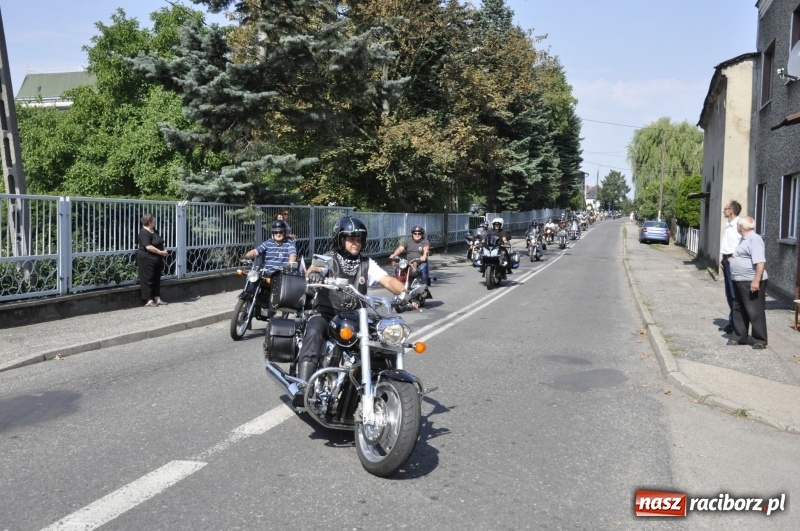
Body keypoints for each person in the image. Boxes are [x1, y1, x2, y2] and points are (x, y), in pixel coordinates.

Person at [293, 217, 413, 406]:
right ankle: (303, 386)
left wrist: (405, 292)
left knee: (382, 336)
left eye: (359, 239)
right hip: (327, 312)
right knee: (314, 331)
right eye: (351, 239)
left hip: (357, 315)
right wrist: (314, 273)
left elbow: (388, 280)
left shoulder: (366, 263)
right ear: (340, 240)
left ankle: (381, 380)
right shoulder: (329, 259)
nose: (356, 243)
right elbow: (314, 268)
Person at [727, 216, 768, 349]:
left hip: (750, 280)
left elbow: (760, 262)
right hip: (738, 279)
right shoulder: (744, 240)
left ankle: (759, 340)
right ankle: (739, 337)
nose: (737, 227)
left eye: (738, 225)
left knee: (754, 310)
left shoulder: (754, 239)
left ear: (741, 227)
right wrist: (731, 261)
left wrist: (756, 281)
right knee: (738, 308)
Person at [719, 200, 741, 334]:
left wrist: (733, 258)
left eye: (726, 208)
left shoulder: (739, 225)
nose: (724, 210)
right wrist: (723, 259)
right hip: (726, 259)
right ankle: (732, 321)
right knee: (729, 293)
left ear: (731, 211)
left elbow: (742, 244)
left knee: (734, 293)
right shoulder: (729, 225)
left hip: (734, 260)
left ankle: (736, 324)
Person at [137, 213, 168, 307]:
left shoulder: (155, 231)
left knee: (156, 278)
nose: (155, 221)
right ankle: (148, 300)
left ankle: (157, 298)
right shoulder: (143, 232)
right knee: (148, 279)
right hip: (146, 258)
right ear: (149, 222)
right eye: (153, 220)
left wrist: (164, 250)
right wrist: (160, 252)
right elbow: (148, 247)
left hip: (157, 259)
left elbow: (161, 242)